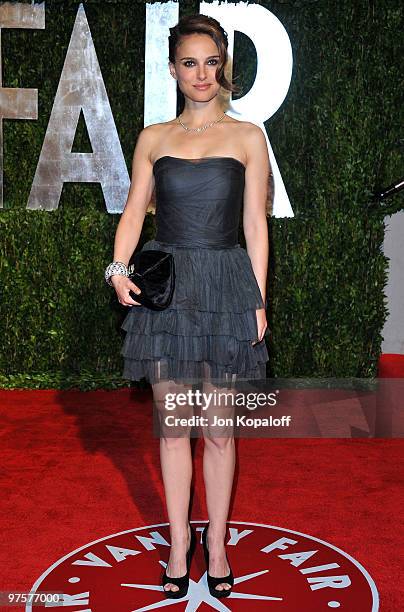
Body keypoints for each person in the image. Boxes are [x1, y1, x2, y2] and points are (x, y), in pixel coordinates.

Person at [104, 13, 270, 600]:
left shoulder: (248, 136)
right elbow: (132, 212)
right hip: (167, 292)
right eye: (190, 63)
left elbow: (255, 224)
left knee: (220, 430)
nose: (202, 74)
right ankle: (180, 543)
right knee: (174, 428)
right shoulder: (154, 137)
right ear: (173, 70)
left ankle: (218, 544)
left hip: (227, 287)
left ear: (222, 67)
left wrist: (258, 298)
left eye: (212, 62)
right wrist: (118, 269)